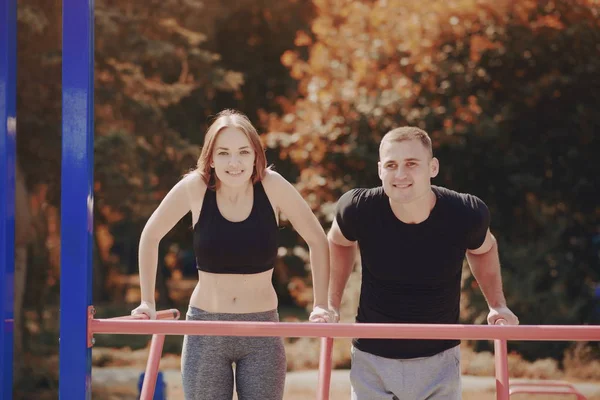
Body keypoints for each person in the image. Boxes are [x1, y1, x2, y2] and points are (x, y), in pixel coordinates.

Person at [131, 109, 332, 400]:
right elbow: (150, 236)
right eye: (223, 153)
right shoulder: (195, 188)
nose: (234, 162)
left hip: (261, 329)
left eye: (243, 152)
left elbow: (317, 238)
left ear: (255, 155)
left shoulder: (272, 186)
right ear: (210, 158)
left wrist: (321, 305)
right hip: (205, 328)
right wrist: (147, 302)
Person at [327, 126, 518, 400]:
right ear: (380, 170)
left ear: (433, 167)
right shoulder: (358, 208)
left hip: (439, 359)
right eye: (391, 165)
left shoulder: (464, 213)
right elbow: (338, 242)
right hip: (372, 358)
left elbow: (484, 248)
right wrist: (331, 305)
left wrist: (497, 305)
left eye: (411, 164)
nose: (401, 174)